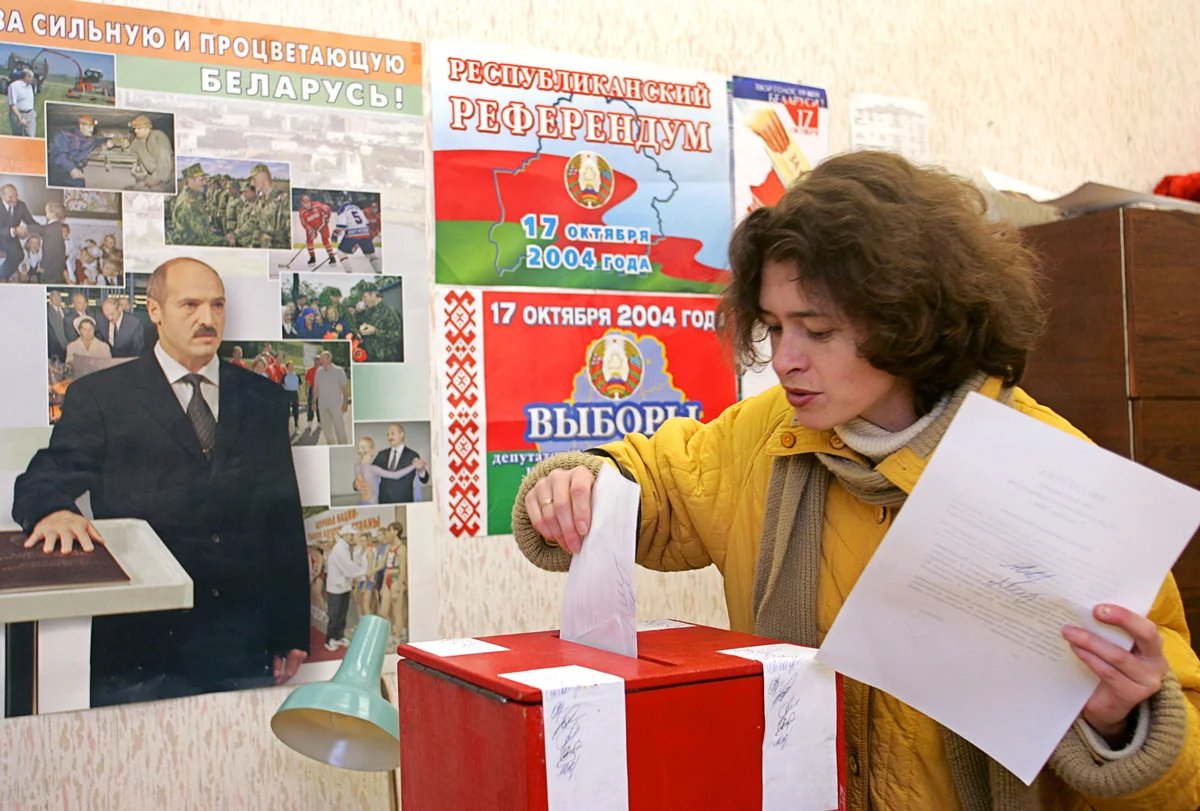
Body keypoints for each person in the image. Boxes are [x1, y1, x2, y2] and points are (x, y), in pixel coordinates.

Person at [511, 152, 1200, 809]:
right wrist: (581, 481)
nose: (785, 360)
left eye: (817, 330)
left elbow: (1181, 760)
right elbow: (657, 480)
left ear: (908, 318)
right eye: (775, 327)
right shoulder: (764, 434)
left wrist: (1125, 722)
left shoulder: (1047, 471)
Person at [13, 257, 310, 707]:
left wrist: (291, 627)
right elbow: (46, 475)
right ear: (154, 310)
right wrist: (54, 510)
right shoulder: (101, 396)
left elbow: (283, 517)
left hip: (242, 642)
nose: (207, 319)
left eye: (217, 305)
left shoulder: (263, 398)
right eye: (189, 304)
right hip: (141, 649)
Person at [323, 525, 366, 651]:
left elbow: (351, 567)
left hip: (344, 587)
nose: (353, 537)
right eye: (351, 535)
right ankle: (329, 639)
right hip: (336, 588)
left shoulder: (345, 548)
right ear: (345, 535)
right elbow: (349, 568)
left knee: (342, 614)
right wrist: (363, 571)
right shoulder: (340, 549)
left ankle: (339, 636)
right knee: (335, 614)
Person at [47, 113, 112, 188]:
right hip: (57, 171)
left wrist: (107, 140)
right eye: (89, 127)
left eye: (93, 127)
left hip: (73, 171)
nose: (92, 129)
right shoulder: (66, 135)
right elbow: (60, 155)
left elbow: (98, 140)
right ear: (81, 126)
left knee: (80, 184)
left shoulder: (90, 140)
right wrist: (72, 169)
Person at [371, 423, 428, 504]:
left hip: (404, 502)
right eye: (388, 435)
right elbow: (369, 473)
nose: (389, 437)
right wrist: (356, 484)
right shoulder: (381, 454)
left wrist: (421, 470)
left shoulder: (412, 455)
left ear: (401, 435)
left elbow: (425, 479)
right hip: (384, 503)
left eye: (392, 433)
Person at [167, 163, 222, 246]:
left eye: (205, 180)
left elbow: (197, 224)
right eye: (201, 180)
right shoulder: (189, 203)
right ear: (190, 180)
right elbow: (204, 239)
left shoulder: (194, 195)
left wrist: (207, 227)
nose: (205, 183)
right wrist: (226, 240)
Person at [352, 435, 416, 505]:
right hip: (372, 505)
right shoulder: (373, 469)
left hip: (361, 503)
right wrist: (414, 466)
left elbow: (359, 483)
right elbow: (396, 475)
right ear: (372, 450)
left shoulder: (357, 466)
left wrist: (356, 485)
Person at [353, 282, 403, 361]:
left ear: (373, 294)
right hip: (370, 357)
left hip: (386, 360)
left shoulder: (389, 310)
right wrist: (358, 313)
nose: (363, 301)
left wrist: (375, 331)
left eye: (364, 297)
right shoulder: (369, 311)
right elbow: (357, 326)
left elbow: (398, 336)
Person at [126, 114, 174, 192]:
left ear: (147, 128)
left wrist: (157, 176)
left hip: (167, 177)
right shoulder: (137, 141)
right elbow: (130, 152)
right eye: (135, 128)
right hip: (154, 175)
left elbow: (164, 157)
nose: (135, 131)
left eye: (139, 128)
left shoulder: (157, 136)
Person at [332, 198, 382, 273]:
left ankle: (349, 272)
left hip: (352, 234)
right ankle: (379, 272)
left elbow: (341, 226)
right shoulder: (358, 210)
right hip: (365, 233)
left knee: (340, 252)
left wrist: (334, 234)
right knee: (372, 255)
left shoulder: (343, 209)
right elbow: (366, 224)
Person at [312, 349, 349, 445]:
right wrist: (313, 402)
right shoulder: (318, 372)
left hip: (336, 405)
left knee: (339, 428)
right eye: (320, 359)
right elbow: (316, 388)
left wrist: (345, 402)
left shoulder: (339, 371)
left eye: (322, 359)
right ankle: (332, 447)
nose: (320, 361)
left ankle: (343, 447)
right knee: (327, 430)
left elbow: (344, 388)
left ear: (329, 359)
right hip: (323, 406)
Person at [1, 183, 37, 281]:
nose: (15, 199)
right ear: (2, 195)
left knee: (19, 255)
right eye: (11, 197)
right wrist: (14, 230)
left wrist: (45, 229)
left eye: (16, 196)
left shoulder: (21, 205)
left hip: (11, 238)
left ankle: (2, 276)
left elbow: (31, 222)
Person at [298, 194, 337, 267]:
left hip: (322, 224)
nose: (307, 204)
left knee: (325, 240)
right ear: (302, 203)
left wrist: (327, 218)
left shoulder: (318, 205)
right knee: (309, 241)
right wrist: (310, 230)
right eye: (305, 203)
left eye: (308, 201)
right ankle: (312, 258)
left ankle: (332, 257)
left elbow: (328, 209)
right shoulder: (302, 212)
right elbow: (304, 224)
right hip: (312, 227)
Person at [6, 68, 36, 137]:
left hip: (30, 114)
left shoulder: (30, 86)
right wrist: (20, 118)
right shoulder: (14, 86)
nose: (33, 79)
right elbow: (12, 105)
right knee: (17, 137)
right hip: (17, 114)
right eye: (31, 77)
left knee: (31, 136)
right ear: (26, 77)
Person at [47, 290, 69, 361]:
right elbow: (57, 331)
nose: (57, 299)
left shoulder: (65, 310)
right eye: (55, 297)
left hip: (68, 346)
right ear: (50, 299)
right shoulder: (48, 312)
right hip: (57, 347)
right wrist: (65, 345)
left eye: (59, 297)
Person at [281, 361, 301, 433]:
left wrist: (299, 397)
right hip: (287, 394)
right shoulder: (284, 376)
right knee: (286, 412)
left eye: (292, 366)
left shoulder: (297, 376)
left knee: (296, 411)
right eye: (289, 367)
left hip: (294, 394)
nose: (291, 368)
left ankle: (296, 427)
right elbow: (283, 387)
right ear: (287, 368)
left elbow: (299, 387)